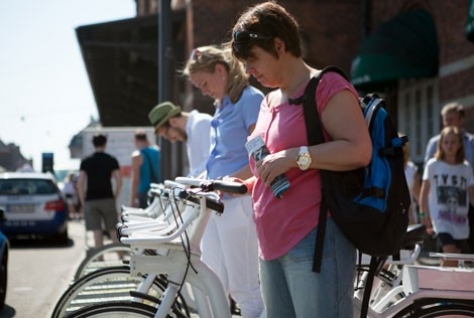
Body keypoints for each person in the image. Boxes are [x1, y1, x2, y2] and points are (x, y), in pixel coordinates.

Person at [228, 2, 372, 317]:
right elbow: (276, 167)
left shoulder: (326, 86)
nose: (249, 71)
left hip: (315, 241)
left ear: (279, 46)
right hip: (270, 245)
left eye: (253, 59)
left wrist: (293, 156)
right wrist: (239, 184)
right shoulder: (268, 101)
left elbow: (359, 150)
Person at [182, 44, 264, 317]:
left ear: (220, 70)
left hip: (239, 201)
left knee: (246, 289)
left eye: (204, 84)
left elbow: (261, 157)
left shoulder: (250, 100)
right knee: (214, 282)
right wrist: (197, 182)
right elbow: (220, 159)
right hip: (219, 202)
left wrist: (223, 181)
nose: (204, 92)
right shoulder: (223, 106)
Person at [419, 126, 474, 267]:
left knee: (450, 261)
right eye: (446, 142)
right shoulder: (433, 165)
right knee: (451, 254)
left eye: (453, 142)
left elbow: (471, 193)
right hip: (441, 221)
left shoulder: (466, 168)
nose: (450, 145)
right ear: (441, 144)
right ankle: (442, 287)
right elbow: (424, 192)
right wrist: (423, 214)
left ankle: (442, 287)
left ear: (460, 144)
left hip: (460, 222)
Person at [77, 133, 123, 248]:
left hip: (91, 200)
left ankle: (100, 259)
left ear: (93, 144)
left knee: (97, 232)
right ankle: (120, 257)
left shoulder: (86, 161)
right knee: (113, 230)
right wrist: (114, 197)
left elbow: (80, 184)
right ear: (105, 144)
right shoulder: (111, 160)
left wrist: (83, 202)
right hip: (107, 197)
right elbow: (119, 181)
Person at [148, 101, 212, 177]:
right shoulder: (191, 130)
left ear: (173, 121)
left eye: (167, 134)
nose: (171, 140)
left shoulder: (201, 124)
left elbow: (211, 162)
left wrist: (188, 180)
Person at [129, 130, 161, 208]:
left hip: (144, 193)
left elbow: (136, 179)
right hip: (159, 190)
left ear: (135, 141)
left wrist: (132, 199)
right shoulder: (158, 150)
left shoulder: (136, 156)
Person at [401, 135, 421, 224]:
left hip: (410, 220)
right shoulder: (385, 169)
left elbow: (419, 198)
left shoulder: (411, 170)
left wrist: (423, 217)